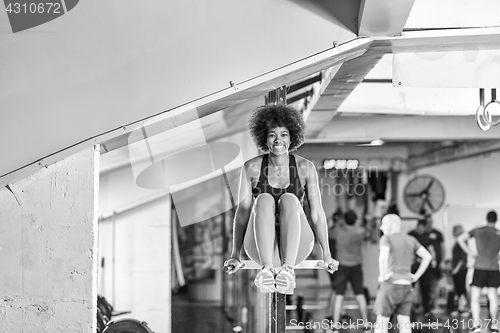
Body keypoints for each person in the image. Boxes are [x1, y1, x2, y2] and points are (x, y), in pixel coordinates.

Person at [222, 104, 338, 295]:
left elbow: (317, 214)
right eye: (272, 135)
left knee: (290, 199)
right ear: (264, 138)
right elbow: (243, 212)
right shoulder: (251, 168)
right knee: (264, 199)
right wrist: (235, 255)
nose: (278, 140)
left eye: (284, 134)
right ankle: (266, 270)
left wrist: (327, 254)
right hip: (260, 248)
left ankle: (288, 271)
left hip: (296, 246)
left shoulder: (305, 167)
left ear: (292, 137)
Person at [373, 214, 432, 333]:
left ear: (393, 225)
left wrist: (383, 277)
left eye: (384, 224)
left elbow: (383, 257)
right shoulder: (411, 239)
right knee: (404, 321)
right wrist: (416, 276)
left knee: (382, 321)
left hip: (391, 284)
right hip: (406, 285)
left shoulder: (386, 238)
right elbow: (427, 256)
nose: (381, 227)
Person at [457, 211, 500, 333]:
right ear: (496, 220)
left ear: (486, 219)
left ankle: (476, 325)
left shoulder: (478, 230)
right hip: (493, 268)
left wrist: (470, 252)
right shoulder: (498, 233)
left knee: (475, 297)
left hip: (480, 267)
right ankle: (494, 326)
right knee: (493, 298)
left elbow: (460, 239)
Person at [329, 210, 369, 332]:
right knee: (360, 295)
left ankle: (335, 325)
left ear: (344, 219)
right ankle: (366, 323)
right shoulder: (360, 232)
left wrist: (337, 222)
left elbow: (328, 233)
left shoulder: (337, 231)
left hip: (342, 266)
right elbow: (369, 234)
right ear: (356, 220)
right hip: (356, 266)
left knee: (339, 295)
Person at [408, 219, 436, 317]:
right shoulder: (410, 235)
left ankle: (426, 309)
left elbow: (430, 249)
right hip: (413, 265)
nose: (424, 229)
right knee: (410, 288)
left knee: (426, 288)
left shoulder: (426, 235)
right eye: (423, 226)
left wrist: (433, 259)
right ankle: (409, 308)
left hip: (424, 265)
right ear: (419, 225)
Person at [450, 224, 469, 315]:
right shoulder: (458, 242)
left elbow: (462, 258)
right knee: (459, 289)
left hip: (461, 270)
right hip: (457, 269)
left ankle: (464, 308)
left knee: (462, 289)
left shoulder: (462, 242)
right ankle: (460, 308)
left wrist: (456, 269)